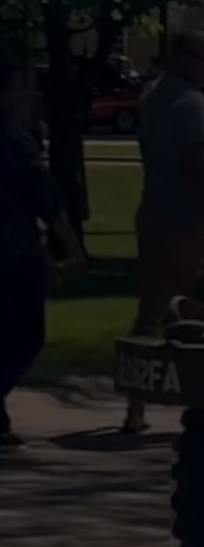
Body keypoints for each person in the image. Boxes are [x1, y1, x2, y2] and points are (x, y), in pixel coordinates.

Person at [123, 30, 204, 433]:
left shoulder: (153, 96)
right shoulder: (190, 102)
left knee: (150, 309)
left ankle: (135, 405)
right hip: (185, 218)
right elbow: (198, 163)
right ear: (183, 57)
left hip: (152, 210)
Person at [0, 57, 88, 449]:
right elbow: (43, 196)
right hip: (11, 252)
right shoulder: (12, 141)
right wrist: (70, 244)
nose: (26, 95)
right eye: (18, 87)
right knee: (25, 335)